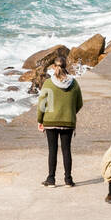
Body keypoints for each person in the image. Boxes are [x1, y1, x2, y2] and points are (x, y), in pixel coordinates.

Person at [37, 55, 83, 187]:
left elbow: (41, 105)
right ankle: (68, 180)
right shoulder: (74, 84)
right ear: (65, 66)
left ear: (53, 67)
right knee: (66, 150)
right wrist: (69, 113)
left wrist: (40, 120)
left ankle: (51, 179)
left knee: (52, 150)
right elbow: (79, 103)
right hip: (68, 122)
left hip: (50, 121)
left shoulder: (48, 83)